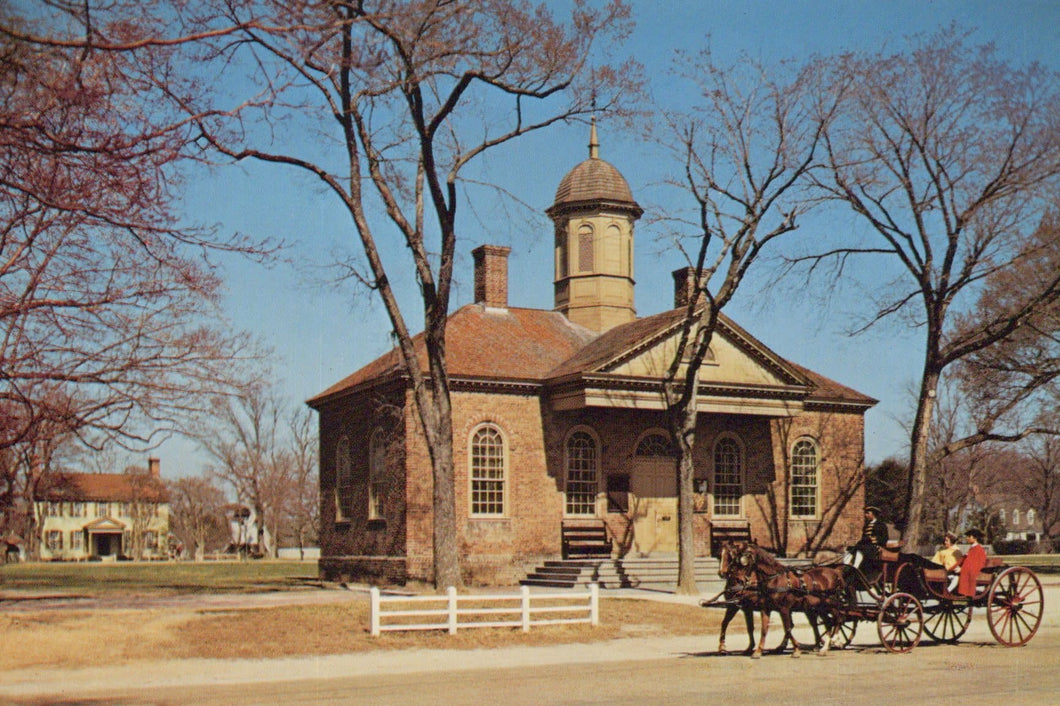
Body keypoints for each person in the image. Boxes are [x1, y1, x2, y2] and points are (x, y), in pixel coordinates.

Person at [844, 506, 890, 570]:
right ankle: (845, 564)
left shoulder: (881, 525)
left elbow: (885, 538)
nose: (866, 515)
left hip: (875, 547)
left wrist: (872, 539)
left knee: (861, 548)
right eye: (866, 513)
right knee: (850, 548)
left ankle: (855, 567)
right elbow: (864, 537)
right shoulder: (866, 525)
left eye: (868, 513)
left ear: (873, 514)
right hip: (865, 545)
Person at [955, 528, 987, 597]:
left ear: (975, 538)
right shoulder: (972, 548)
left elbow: (975, 563)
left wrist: (962, 569)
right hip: (967, 569)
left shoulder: (979, 549)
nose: (967, 538)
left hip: (973, 571)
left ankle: (964, 594)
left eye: (969, 536)